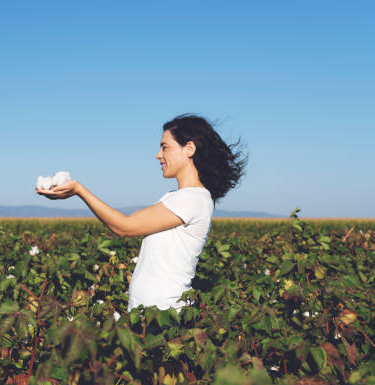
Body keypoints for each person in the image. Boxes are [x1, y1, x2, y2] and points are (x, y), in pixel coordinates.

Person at [36, 114, 246, 312]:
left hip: (164, 314)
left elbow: (124, 227)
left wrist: (79, 190)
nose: (158, 155)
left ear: (189, 148)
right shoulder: (181, 198)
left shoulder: (192, 199)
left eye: (165, 147)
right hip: (152, 313)